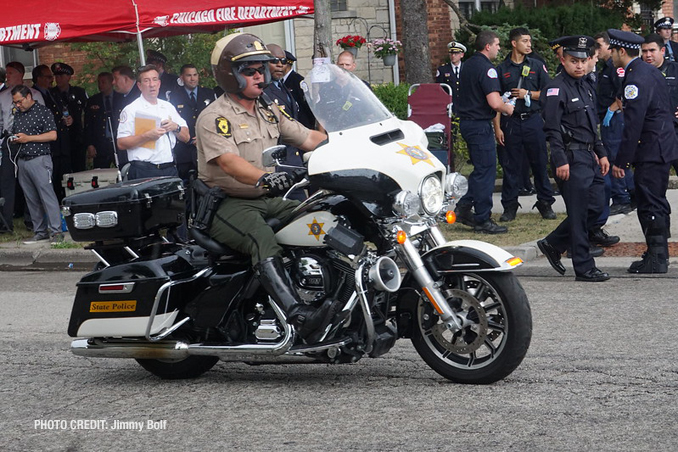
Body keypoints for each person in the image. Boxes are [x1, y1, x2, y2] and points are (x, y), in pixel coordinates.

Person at [196, 32, 338, 343]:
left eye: (261, 68)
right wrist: (263, 178)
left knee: (318, 215)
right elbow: (229, 162)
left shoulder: (268, 109)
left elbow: (307, 137)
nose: (260, 75)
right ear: (229, 75)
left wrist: (347, 144)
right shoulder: (214, 117)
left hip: (267, 199)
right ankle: (300, 316)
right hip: (226, 204)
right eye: (250, 70)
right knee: (262, 239)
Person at [537, 35, 610, 282]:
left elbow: (592, 125)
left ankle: (553, 243)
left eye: (583, 60)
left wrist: (601, 153)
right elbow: (552, 128)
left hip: (589, 155)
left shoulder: (586, 85)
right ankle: (584, 267)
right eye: (573, 61)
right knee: (578, 215)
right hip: (570, 157)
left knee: (598, 207)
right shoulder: (556, 88)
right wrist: (559, 160)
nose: (579, 65)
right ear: (563, 60)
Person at [609, 29, 678, 274]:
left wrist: (621, 161)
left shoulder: (636, 77)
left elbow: (633, 124)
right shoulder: (649, 71)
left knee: (650, 203)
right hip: (660, 144)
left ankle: (657, 259)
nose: (610, 54)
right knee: (655, 201)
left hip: (650, 148)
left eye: (612, 50)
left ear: (620, 51)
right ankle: (657, 253)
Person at [453, 30, 514, 234]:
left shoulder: (468, 64)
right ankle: (482, 218)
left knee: (480, 171)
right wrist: (507, 108)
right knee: (486, 172)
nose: (499, 48)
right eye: (497, 44)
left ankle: (463, 208)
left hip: (469, 123)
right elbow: (494, 102)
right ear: (487, 46)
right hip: (479, 125)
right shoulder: (488, 69)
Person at [493, 27, 555, 223]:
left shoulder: (536, 66)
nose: (529, 44)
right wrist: (497, 128)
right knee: (510, 166)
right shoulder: (501, 70)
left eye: (530, 41)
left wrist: (528, 94)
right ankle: (510, 206)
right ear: (514, 43)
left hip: (532, 120)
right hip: (510, 122)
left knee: (539, 163)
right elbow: (494, 101)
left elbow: (549, 92)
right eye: (525, 41)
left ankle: (545, 203)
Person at [8, 85, 61, 244]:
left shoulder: (43, 112)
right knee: (30, 198)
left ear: (29, 96)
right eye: (15, 103)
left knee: (47, 196)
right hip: (22, 159)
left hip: (39, 158)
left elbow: (52, 135)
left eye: (19, 101)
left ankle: (56, 231)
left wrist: (28, 138)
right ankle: (40, 231)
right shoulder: (17, 114)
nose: (17, 105)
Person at [116, 65, 189, 180]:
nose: (152, 84)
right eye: (146, 80)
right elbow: (121, 143)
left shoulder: (168, 106)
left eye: (155, 80)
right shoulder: (131, 109)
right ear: (139, 86)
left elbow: (186, 137)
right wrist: (146, 136)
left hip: (169, 168)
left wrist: (176, 127)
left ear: (159, 83)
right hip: (143, 170)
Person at [0, 62, 44, 232]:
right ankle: (6, 223)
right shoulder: (2, 96)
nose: (7, 76)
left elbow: (42, 119)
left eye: (11, 73)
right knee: (6, 183)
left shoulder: (35, 95)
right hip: (9, 143)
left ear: (20, 74)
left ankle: (31, 220)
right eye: (6, 74)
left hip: (29, 141)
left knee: (31, 181)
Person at [595, 32, 635, 219]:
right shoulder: (606, 67)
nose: (598, 49)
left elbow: (622, 91)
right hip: (608, 117)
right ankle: (630, 194)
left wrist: (611, 110)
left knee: (613, 157)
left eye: (600, 45)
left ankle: (622, 198)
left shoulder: (614, 67)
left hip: (614, 118)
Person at [264, 44, 306, 200]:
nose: (280, 65)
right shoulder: (262, 91)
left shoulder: (283, 87)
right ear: (264, 63)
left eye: (283, 61)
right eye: (275, 61)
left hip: (293, 162)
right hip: (278, 166)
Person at [168, 64, 216, 182]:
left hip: (206, 147)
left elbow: (216, 119)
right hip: (184, 151)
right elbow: (172, 121)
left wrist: (202, 138)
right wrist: (189, 139)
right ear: (182, 77)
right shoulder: (173, 96)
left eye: (195, 75)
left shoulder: (209, 93)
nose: (192, 78)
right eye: (188, 75)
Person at [641, 33, 678, 178]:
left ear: (662, 51)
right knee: (655, 182)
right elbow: (621, 97)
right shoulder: (638, 73)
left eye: (652, 50)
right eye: (644, 51)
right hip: (652, 135)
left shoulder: (675, 69)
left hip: (675, 131)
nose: (648, 55)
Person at [50, 63, 88, 173]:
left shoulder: (79, 92)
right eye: (56, 76)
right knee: (62, 173)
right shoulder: (51, 94)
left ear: (68, 77)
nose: (58, 79)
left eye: (61, 76)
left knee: (79, 171)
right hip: (60, 141)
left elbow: (86, 114)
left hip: (76, 138)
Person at [84, 72, 117, 169]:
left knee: (122, 171)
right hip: (100, 143)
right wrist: (90, 144)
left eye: (103, 82)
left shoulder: (120, 98)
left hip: (117, 141)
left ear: (111, 82)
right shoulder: (93, 100)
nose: (100, 85)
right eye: (99, 82)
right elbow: (88, 124)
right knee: (100, 173)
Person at [111, 65, 140, 169]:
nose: (113, 82)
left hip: (136, 152)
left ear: (126, 79)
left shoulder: (140, 94)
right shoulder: (118, 96)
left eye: (116, 78)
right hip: (123, 149)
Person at [283, 50, 315, 130]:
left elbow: (306, 104)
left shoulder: (297, 80)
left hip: (302, 123)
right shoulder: (282, 81)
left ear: (287, 65)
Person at [435, 41, 466, 115]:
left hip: (465, 104)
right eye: (451, 54)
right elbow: (439, 89)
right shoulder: (443, 70)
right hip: (449, 104)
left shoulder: (467, 68)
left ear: (462, 55)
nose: (453, 56)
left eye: (456, 54)